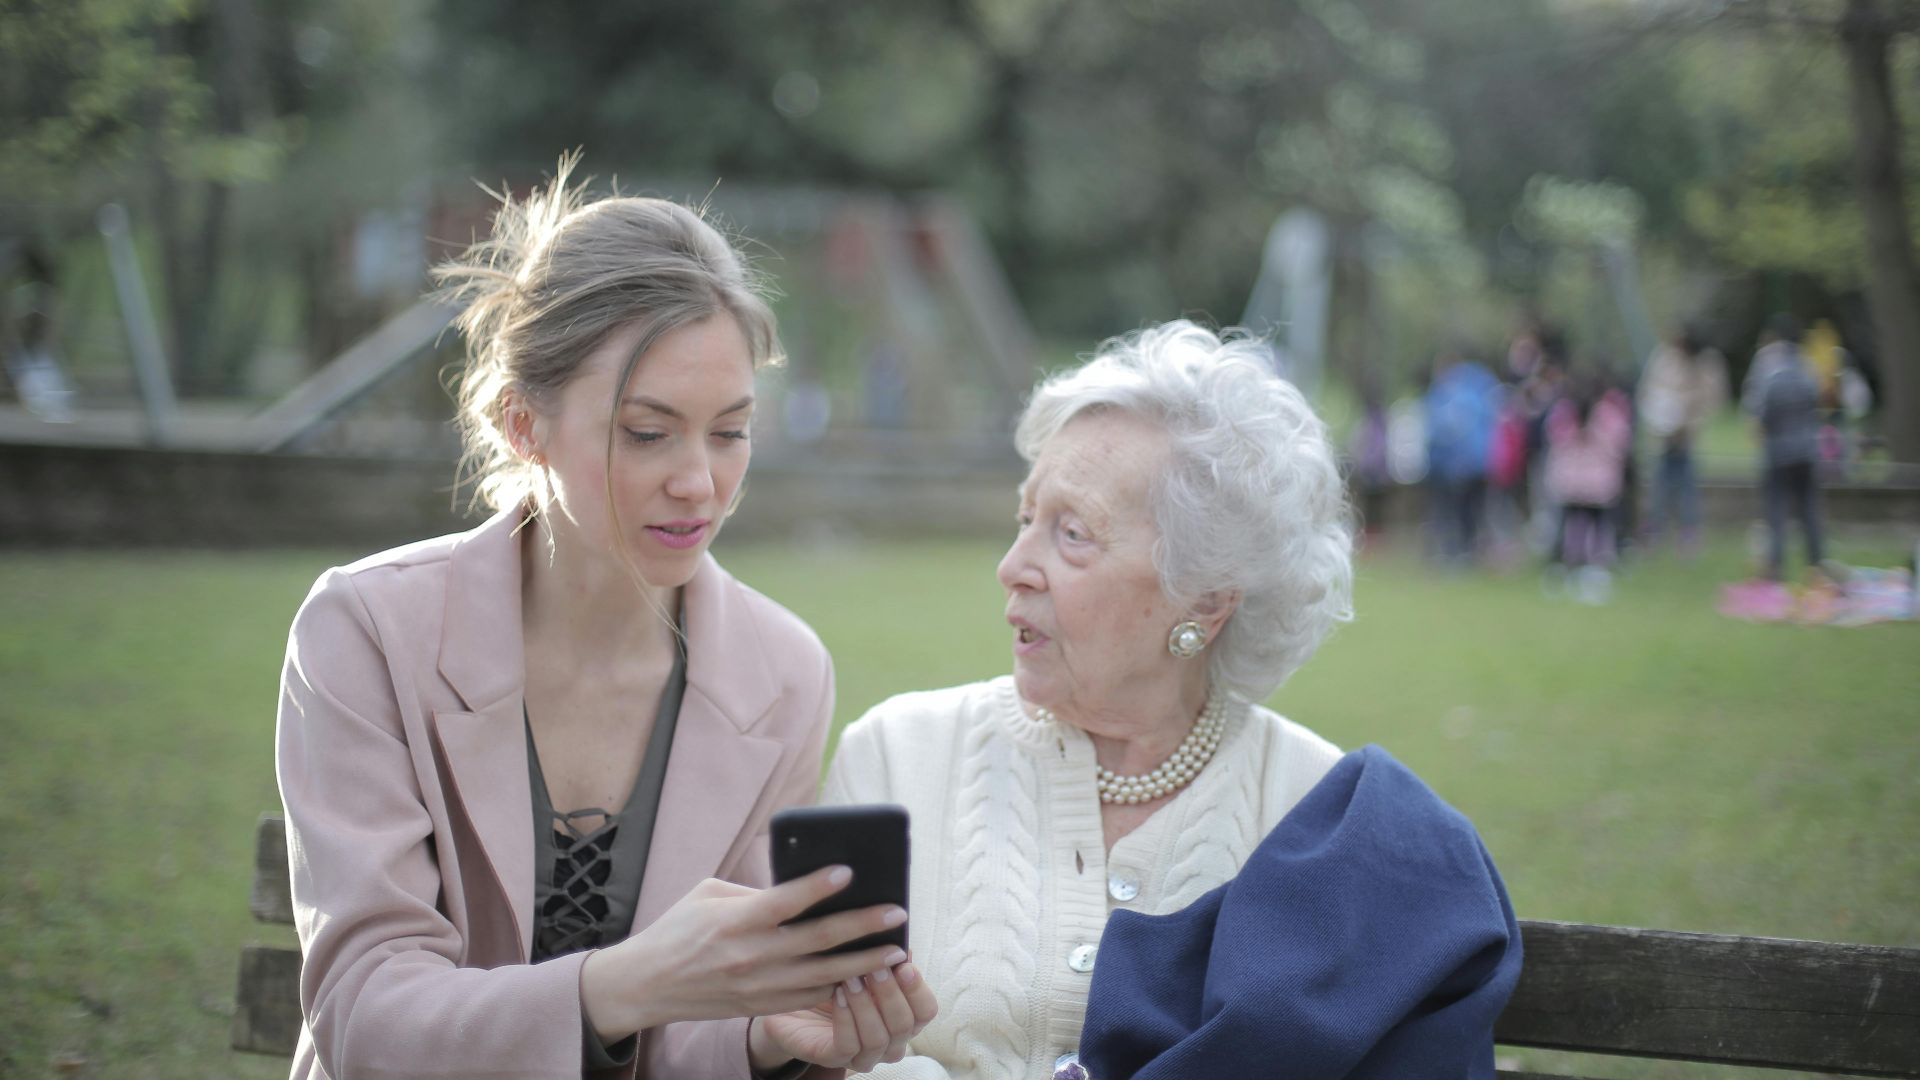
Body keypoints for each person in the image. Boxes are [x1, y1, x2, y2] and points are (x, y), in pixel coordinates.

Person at [275, 156, 935, 1080]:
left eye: (732, 430)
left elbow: (701, 1028)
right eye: (647, 431)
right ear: (522, 424)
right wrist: (619, 985)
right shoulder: (366, 632)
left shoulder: (783, 671)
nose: (699, 482)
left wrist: (766, 1037)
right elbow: (366, 1018)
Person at [822, 322, 1522, 1078]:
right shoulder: (897, 756)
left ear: (1205, 600)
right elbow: (805, 1048)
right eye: (1026, 519)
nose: (1013, 566)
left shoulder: (1318, 817)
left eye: (1073, 534)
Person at [1742, 314, 1825, 582]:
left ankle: (1776, 568)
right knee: (1809, 511)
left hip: (1778, 451)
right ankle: (1816, 565)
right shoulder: (1807, 365)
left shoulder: (1768, 366)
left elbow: (1759, 411)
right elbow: (1817, 401)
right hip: (1806, 450)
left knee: (1775, 511)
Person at [1637, 325, 1728, 553]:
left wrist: (1688, 421)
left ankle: (1688, 533)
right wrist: (1663, 418)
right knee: (1659, 483)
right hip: (1663, 433)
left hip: (1688, 435)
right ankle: (1655, 529)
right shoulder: (1664, 358)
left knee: (1688, 486)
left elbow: (1713, 400)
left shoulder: (1707, 363)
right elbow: (1650, 392)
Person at [1545, 373, 1633, 602]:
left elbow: (1554, 440)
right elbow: (1620, 444)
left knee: (1578, 527)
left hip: (1577, 483)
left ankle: (1582, 569)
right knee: (1590, 528)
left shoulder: (1567, 414)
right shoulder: (1607, 414)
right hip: (1594, 484)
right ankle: (1585, 568)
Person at [1424, 343, 1502, 566]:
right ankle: (1460, 551)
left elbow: (1448, 429)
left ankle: (1463, 552)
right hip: (1467, 464)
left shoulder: (1457, 393)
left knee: (1463, 511)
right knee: (1461, 511)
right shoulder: (1478, 388)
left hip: (1465, 465)